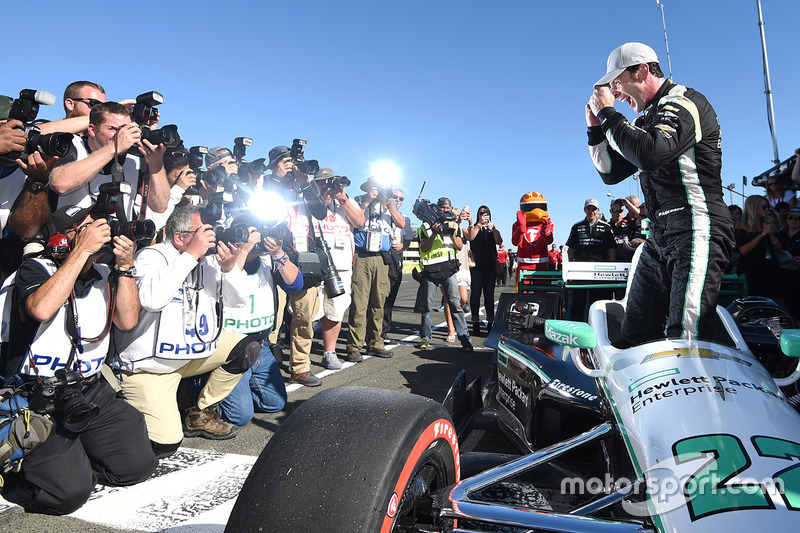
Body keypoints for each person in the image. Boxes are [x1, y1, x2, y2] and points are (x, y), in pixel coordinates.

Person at [0, 204, 156, 515]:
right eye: (84, 227)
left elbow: (127, 321)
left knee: (138, 465)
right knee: (68, 495)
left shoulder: (104, 274)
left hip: (88, 387)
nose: (98, 232)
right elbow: (41, 309)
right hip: (36, 396)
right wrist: (80, 252)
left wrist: (125, 267)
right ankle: (15, 476)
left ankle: (72, 461)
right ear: (64, 236)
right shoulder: (35, 269)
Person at [586, 42, 733, 345]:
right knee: (635, 334)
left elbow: (650, 153)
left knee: (686, 337)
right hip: (659, 234)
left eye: (617, 82)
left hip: (697, 226)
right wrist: (595, 129)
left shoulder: (684, 102)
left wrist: (609, 114)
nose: (614, 92)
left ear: (642, 70)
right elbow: (611, 173)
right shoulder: (646, 119)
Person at [113, 206, 261, 458]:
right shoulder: (152, 256)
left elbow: (239, 302)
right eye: (202, 232)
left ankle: (200, 412)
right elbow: (152, 299)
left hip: (189, 358)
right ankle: (121, 404)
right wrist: (191, 255)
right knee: (165, 445)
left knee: (246, 348)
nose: (210, 238)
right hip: (151, 368)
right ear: (180, 237)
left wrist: (228, 269)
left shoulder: (209, 261)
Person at [210, 214, 302, 425]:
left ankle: (236, 388)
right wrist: (242, 250)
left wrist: (278, 253)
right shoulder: (222, 260)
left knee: (276, 403)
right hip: (231, 349)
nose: (259, 239)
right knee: (239, 416)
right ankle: (207, 390)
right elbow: (231, 285)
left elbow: (295, 284)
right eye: (252, 233)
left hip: (261, 346)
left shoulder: (268, 261)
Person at [263, 145, 328, 386]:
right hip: (276, 254)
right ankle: (265, 367)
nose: (290, 165)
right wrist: (279, 177)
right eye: (284, 161)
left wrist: (305, 182)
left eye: (292, 161)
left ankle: (300, 366)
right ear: (273, 164)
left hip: (305, 257)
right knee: (273, 318)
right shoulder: (268, 185)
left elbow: (320, 212)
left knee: (304, 318)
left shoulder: (304, 186)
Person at [48, 102, 170, 219]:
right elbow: (59, 184)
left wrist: (156, 164)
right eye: (114, 129)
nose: (123, 135)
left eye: (126, 129)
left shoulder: (134, 159)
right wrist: (113, 148)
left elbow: (160, 205)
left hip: (117, 237)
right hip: (68, 236)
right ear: (92, 130)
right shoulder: (73, 145)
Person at [345, 177, 405, 361]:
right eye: (375, 187)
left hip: (381, 257)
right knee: (359, 302)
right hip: (362, 256)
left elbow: (402, 223)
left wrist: (391, 204)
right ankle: (354, 346)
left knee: (378, 302)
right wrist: (367, 201)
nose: (379, 191)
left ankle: (376, 343)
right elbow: (356, 221)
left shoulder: (389, 205)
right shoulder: (357, 200)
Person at [313, 168, 365, 369]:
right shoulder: (309, 201)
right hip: (315, 266)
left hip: (341, 267)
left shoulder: (345, 203)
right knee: (308, 313)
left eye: (330, 183)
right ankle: (299, 354)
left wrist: (341, 198)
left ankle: (329, 352)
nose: (327, 187)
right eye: (323, 182)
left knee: (335, 311)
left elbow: (359, 221)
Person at [415, 197, 473, 352]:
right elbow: (424, 248)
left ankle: (465, 338)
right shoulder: (425, 226)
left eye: (448, 208)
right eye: (443, 208)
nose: (446, 210)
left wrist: (452, 235)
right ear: (437, 209)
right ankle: (425, 337)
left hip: (448, 271)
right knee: (427, 307)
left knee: (456, 305)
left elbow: (460, 246)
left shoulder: (455, 225)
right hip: (430, 272)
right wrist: (434, 233)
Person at [566, 198, 617, 320]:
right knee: (578, 302)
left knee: (597, 302)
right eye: (589, 208)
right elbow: (570, 250)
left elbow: (611, 250)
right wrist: (568, 270)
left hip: (600, 271)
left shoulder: (606, 227)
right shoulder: (576, 227)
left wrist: (612, 270)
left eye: (594, 209)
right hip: (580, 271)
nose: (591, 211)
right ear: (585, 210)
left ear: (598, 210)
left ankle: (598, 329)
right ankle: (576, 328)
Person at [464, 204, 503, 336]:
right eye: (481, 213)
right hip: (477, 266)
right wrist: (478, 224)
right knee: (475, 295)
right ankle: (475, 321)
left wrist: (493, 229)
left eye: (486, 213)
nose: (483, 215)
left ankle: (490, 322)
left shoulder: (493, 228)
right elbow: (471, 237)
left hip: (490, 267)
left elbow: (499, 241)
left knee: (489, 296)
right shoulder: (474, 227)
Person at [382, 188, 413, 344]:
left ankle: (384, 331)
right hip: (381, 256)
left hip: (396, 259)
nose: (397, 200)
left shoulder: (405, 218)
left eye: (401, 198)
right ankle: (371, 332)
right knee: (377, 298)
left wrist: (403, 245)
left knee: (390, 298)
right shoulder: (381, 213)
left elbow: (408, 240)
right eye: (395, 197)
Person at [735, 195, 782, 299]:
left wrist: (771, 235)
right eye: (764, 206)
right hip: (751, 270)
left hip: (770, 269)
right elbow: (743, 250)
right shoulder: (742, 226)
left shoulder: (766, 224)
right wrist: (761, 235)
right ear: (754, 207)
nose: (767, 209)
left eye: (768, 206)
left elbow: (779, 249)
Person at [512, 191, 554, 286]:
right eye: (531, 207)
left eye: (540, 206)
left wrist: (546, 231)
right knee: (521, 294)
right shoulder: (517, 224)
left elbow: (549, 241)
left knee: (541, 295)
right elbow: (515, 242)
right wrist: (520, 229)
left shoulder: (547, 223)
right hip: (524, 264)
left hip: (541, 263)